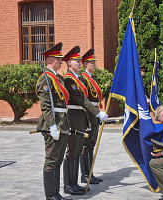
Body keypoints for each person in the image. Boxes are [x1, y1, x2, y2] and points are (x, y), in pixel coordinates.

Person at [63, 46, 108, 195]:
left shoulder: (78, 78)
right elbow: (81, 99)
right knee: (72, 152)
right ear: (69, 62)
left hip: (82, 117)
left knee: (76, 151)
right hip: (75, 118)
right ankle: (69, 184)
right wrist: (96, 113)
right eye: (76, 60)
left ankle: (74, 183)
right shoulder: (69, 80)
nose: (79, 63)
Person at [36, 42, 71, 200]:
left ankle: (56, 193)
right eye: (58, 59)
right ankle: (50, 195)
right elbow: (46, 106)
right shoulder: (46, 79)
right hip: (53, 124)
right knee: (51, 160)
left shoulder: (58, 77)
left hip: (62, 123)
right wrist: (52, 126)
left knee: (58, 160)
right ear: (49, 60)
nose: (61, 61)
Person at [80, 48, 103, 185]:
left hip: (94, 112)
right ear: (85, 64)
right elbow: (85, 100)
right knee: (86, 145)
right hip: (89, 114)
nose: (94, 65)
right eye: (92, 63)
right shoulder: (83, 78)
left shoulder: (91, 78)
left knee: (91, 144)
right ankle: (85, 174)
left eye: (94, 62)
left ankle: (90, 173)